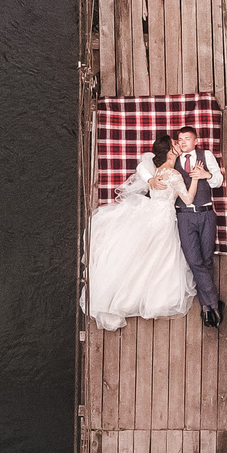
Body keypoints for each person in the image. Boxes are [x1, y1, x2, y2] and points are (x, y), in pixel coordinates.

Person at [85, 133, 200, 330]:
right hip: (163, 216)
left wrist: (150, 180)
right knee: (159, 256)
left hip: (151, 210)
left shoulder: (156, 170)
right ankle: (147, 297)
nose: (179, 144)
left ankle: (122, 297)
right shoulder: (174, 174)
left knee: (143, 253)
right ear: (169, 150)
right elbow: (188, 200)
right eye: (175, 143)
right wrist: (196, 178)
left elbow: (143, 165)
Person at [171, 126, 226, 329]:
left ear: (196, 141)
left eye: (187, 138)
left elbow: (219, 182)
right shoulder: (173, 160)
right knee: (194, 261)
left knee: (206, 260)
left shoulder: (206, 155)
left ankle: (206, 308)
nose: (183, 142)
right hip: (184, 216)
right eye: (180, 139)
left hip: (206, 214)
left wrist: (206, 175)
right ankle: (213, 303)